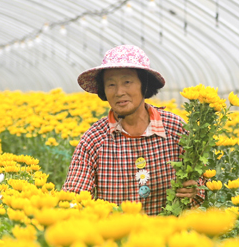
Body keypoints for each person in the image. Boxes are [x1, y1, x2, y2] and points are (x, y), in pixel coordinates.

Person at [63, 45, 201, 215]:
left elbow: (203, 182)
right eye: (111, 84)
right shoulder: (94, 139)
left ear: (144, 85)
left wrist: (195, 190)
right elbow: (75, 195)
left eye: (127, 82)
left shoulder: (175, 129)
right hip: (117, 236)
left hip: (170, 234)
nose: (119, 92)